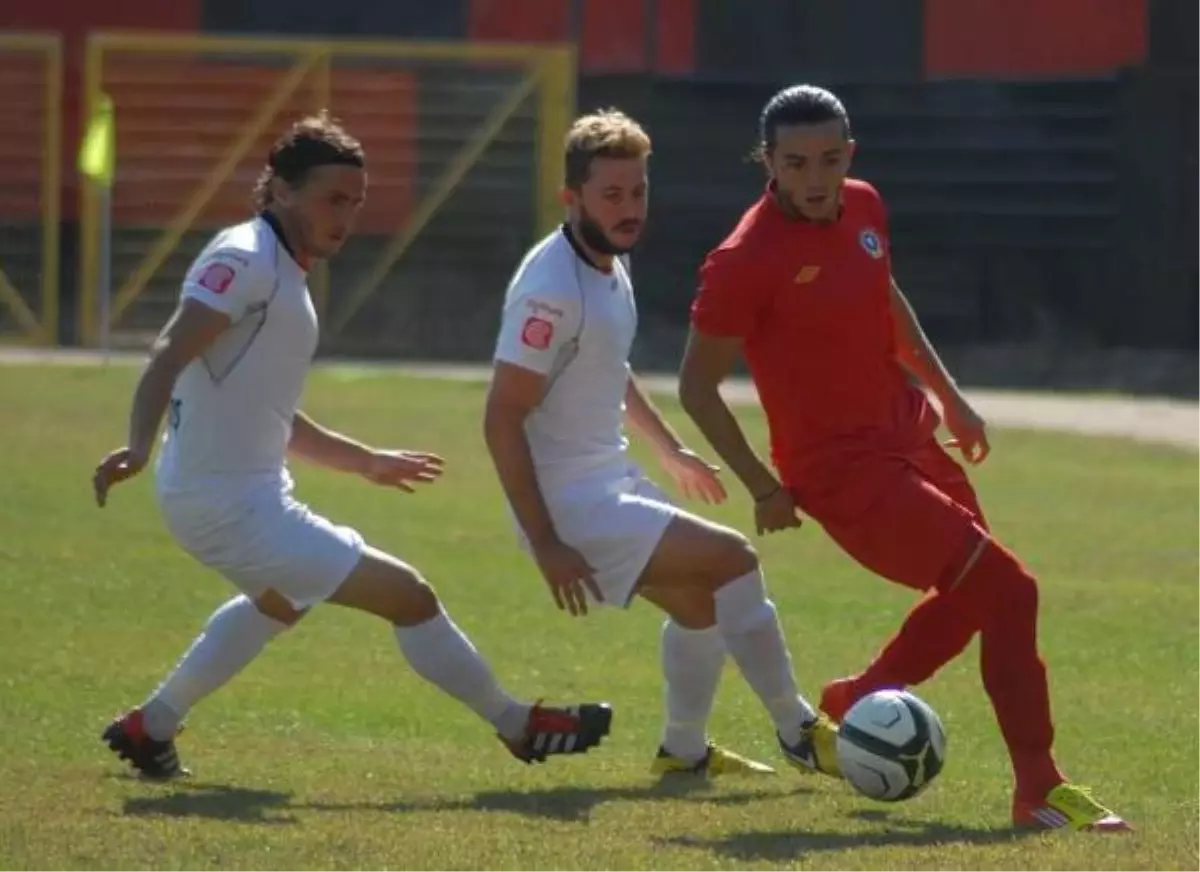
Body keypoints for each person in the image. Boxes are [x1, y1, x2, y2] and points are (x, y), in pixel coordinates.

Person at [92, 112, 611, 779]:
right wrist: (136, 443)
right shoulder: (245, 258)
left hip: (232, 496)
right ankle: (518, 725)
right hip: (228, 505)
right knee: (410, 596)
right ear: (279, 188)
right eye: (332, 199)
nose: (345, 216)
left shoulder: (281, 268)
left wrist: (364, 461)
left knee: (280, 603)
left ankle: (150, 726)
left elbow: (269, 412)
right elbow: (169, 350)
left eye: (355, 202)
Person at [677, 84, 1129, 831]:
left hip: (911, 438)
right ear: (770, 164)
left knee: (972, 601)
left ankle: (858, 701)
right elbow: (697, 387)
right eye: (796, 163)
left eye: (829, 158)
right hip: (843, 476)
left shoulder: (864, 204)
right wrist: (764, 486)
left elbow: (885, 301)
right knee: (1012, 593)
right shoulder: (743, 260)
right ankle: (1039, 788)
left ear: (849, 153)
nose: (816, 178)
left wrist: (947, 396)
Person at [483, 108, 840, 779]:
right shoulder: (551, 289)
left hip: (604, 485)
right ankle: (797, 728)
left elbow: (607, 370)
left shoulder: (605, 261)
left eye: (638, 192)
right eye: (611, 195)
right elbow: (501, 418)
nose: (629, 208)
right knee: (734, 560)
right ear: (573, 198)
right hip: (567, 503)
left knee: (701, 608)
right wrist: (548, 541)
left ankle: (683, 752)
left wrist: (670, 449)